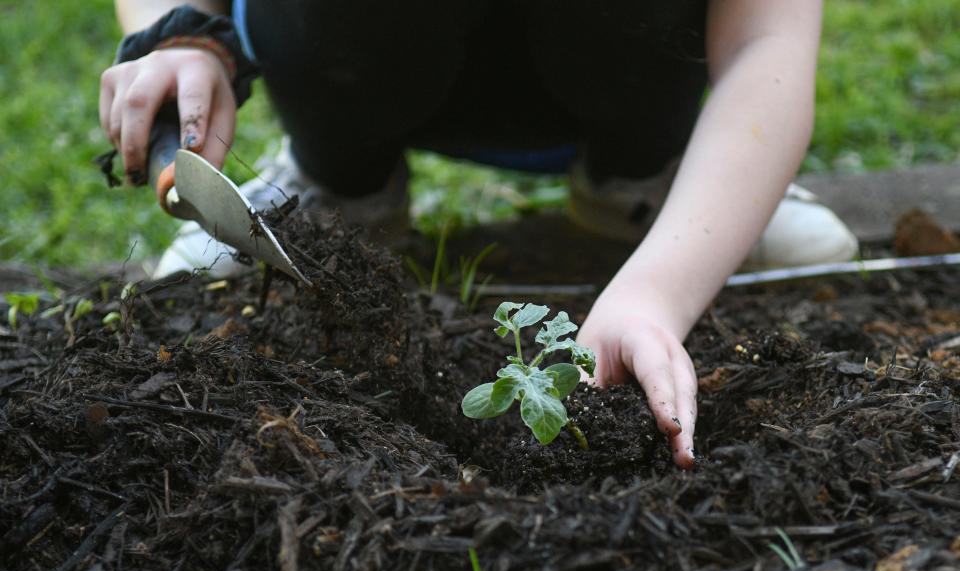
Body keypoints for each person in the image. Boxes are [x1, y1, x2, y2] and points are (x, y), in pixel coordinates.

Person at [100, 0, 859, 469]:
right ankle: (341, 180)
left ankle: (656, 179)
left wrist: (657, 295)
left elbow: (768, 41)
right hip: (360, 56)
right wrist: (180, 34)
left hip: (622, 58)